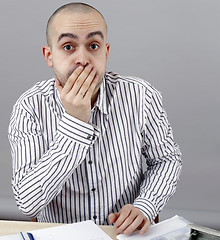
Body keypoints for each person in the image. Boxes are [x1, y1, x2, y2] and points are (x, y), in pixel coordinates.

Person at [8, 2, 182, 235]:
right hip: (61, 234)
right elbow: (27, 202)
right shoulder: (29, 107)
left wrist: (145, 206)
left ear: (106, 52)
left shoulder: (141, 95)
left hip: (123, 235)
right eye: (68, 46)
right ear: (49, 56)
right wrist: (75, 123)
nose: (83, 58)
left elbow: (166, 159)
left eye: (93, 45)